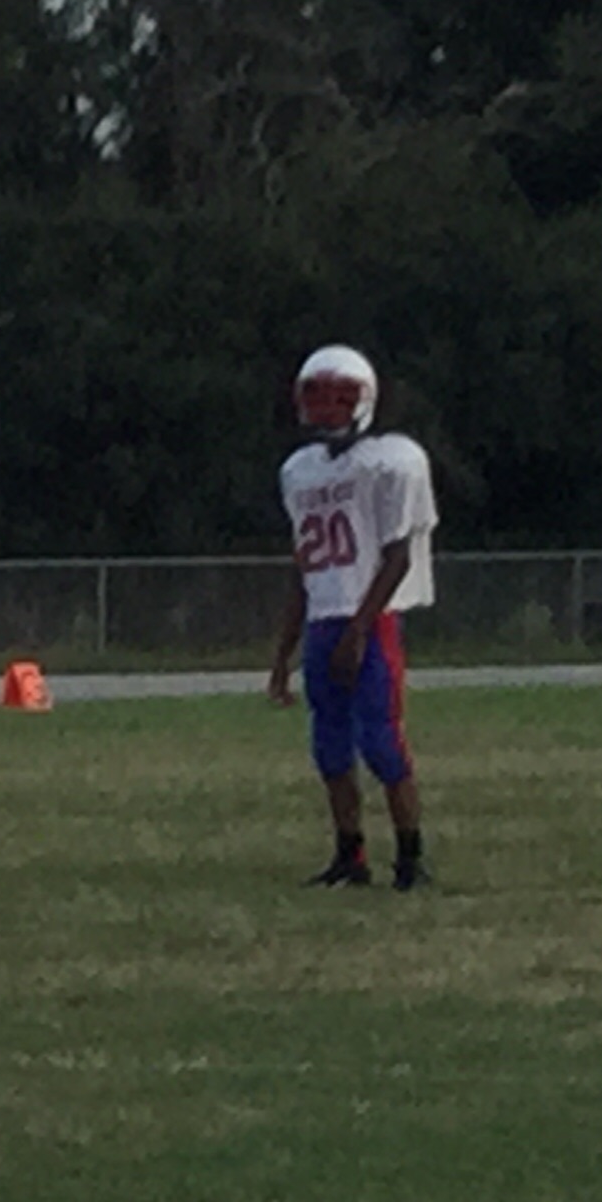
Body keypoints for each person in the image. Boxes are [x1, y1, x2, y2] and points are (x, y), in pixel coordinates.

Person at [264, 344, 437, 891]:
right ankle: (349, 856)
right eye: (316, 397)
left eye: (339, 398)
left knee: (383, 745)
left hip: (370, 621)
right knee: (330, 748)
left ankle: (409, 859)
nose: (326, 409)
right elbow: (302, 568)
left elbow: (397, 556)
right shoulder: (299, 470)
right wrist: (283, 653)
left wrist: (361, 627)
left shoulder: (392, 460)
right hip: (323, 619)